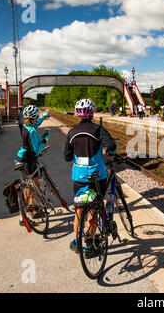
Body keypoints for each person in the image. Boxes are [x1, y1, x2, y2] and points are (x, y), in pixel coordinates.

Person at [64, 99, 118, 255]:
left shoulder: (71, 132)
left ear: (77, 114)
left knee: (80, 208)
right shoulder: (98, 129)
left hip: (78, 177)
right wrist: (109, 154)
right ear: (92, 113)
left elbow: (67, 157)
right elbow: (112, 145)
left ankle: (77, 240)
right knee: (94, 209)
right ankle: (90, 244)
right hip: (97, 175)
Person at [16, 105, 50, 226]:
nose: (37, 119)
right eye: (37, 117)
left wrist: (44, 116)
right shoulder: (32, 131)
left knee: (27, 185)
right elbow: (36, 150)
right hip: (29, 160)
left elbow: (36, 123)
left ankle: (25, 215)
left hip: (21, 158)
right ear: (33, 118)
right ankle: (31, 209)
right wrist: (45, 139)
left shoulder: (26, 126)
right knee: (31, 186)